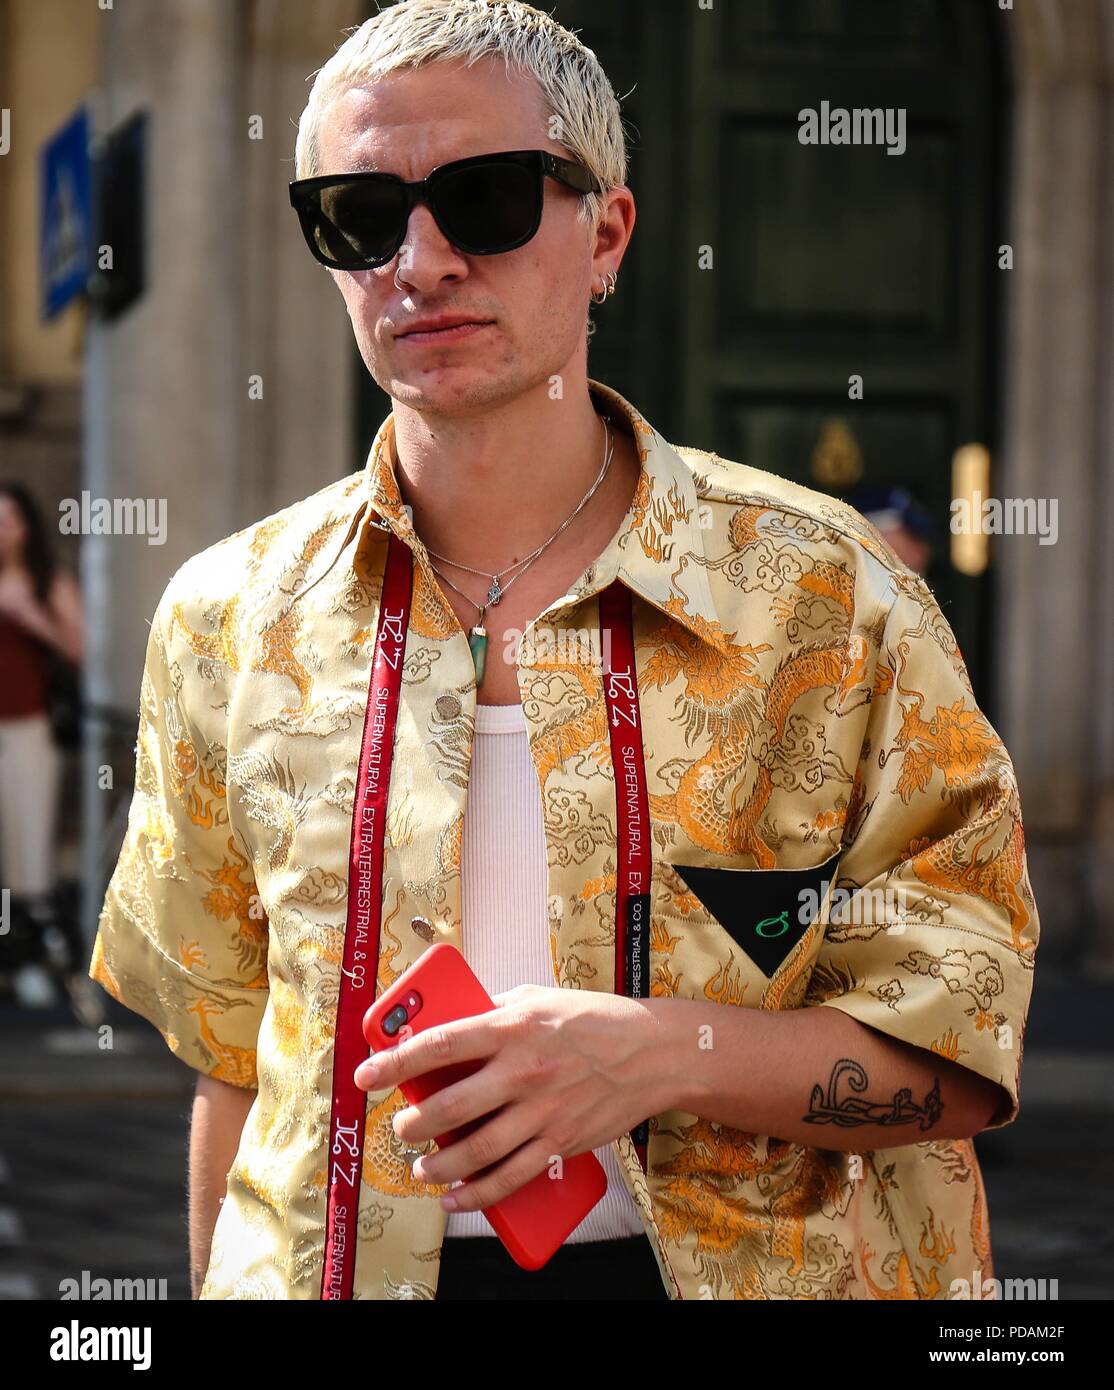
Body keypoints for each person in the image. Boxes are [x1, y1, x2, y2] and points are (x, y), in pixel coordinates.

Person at [89, 0, 1039, 1301]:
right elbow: (241, 1066)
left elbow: (956, 1052)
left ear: (608, 231)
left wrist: (662, 1052)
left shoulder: (833, 597)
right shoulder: (226, 616)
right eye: (358, 215)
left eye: (482, 198)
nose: (419, 261)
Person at [0, 482, 84, 1009]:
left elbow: (79, 649)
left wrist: (28, 612)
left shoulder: (46, 580)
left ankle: (29, 961)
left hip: (28, 728)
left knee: (27, 851)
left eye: (10, 518)